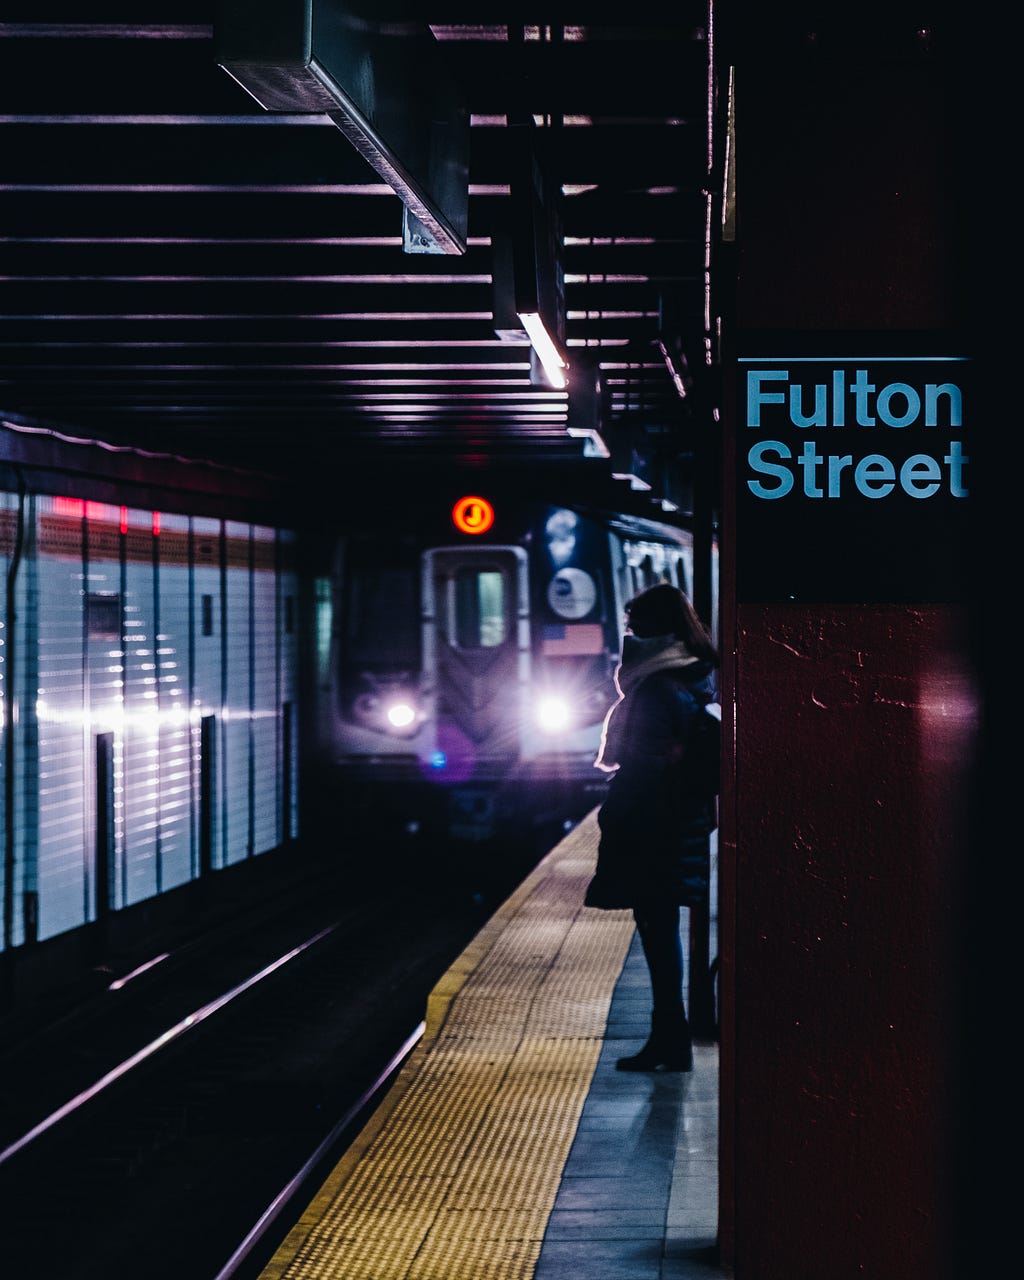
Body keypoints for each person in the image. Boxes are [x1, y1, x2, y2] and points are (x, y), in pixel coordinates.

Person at [584, 581, 720, 1072]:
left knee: (659, 936)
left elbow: (648, 762)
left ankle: (670, 1039)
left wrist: (619, 814)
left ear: (653, 632)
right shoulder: (690, 675)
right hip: (674, 824)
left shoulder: (658, 687)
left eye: (634, 627)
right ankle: (668, 1037)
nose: (629, 637)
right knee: (660, 934)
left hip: (654, 828)